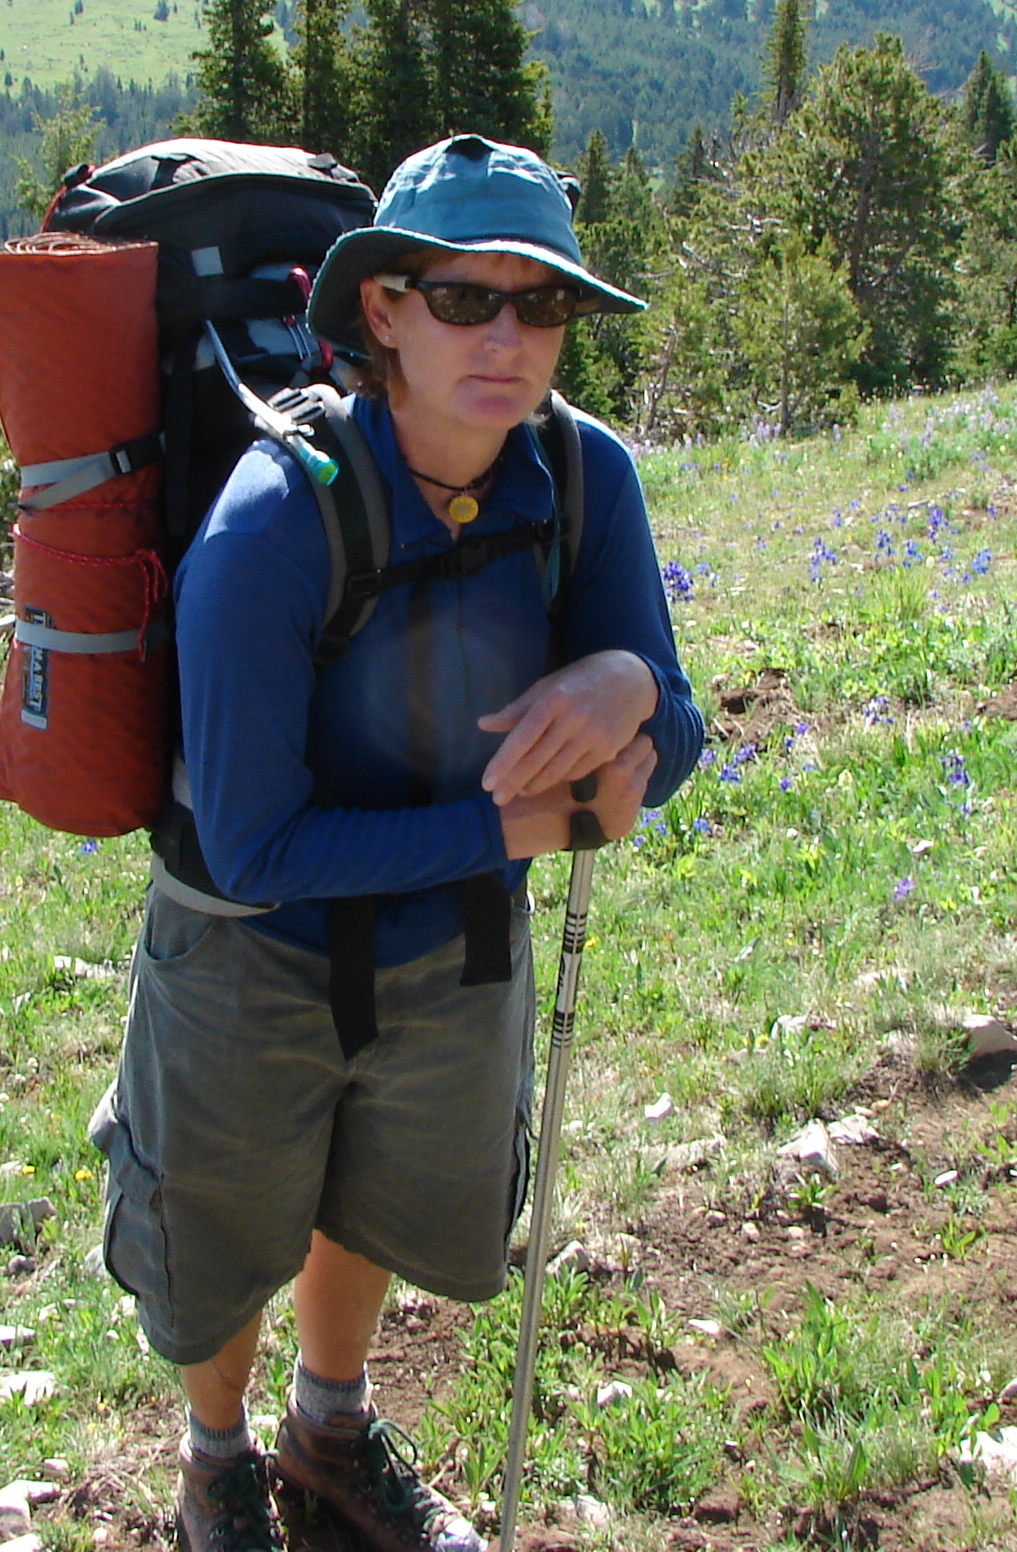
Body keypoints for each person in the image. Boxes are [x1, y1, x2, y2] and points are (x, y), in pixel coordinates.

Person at [88, 135, 705, 1552]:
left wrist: (630, 698)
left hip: (450, 939)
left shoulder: (584, 477)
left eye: (538, 304)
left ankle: (331, 1428)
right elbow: (251, 848)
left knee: (368, 1189)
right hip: (250, 948)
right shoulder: (273, 517)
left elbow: (670, 745)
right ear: (382, 312)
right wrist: (504, 824)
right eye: (462, 299)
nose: (506, 337)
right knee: (224, 1233)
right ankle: (215, 1461)